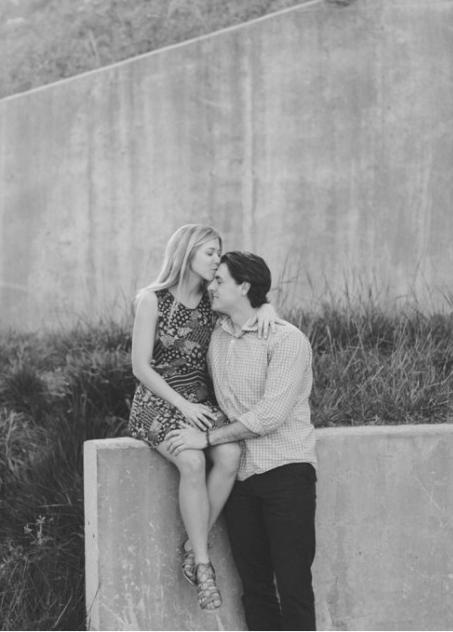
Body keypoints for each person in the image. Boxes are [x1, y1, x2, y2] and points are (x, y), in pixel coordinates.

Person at [128, 225, 279, 611]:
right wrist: (184, 406)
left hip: (201, 402)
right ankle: (201, 562)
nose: (217, 259)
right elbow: (140, 367)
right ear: (188, 251)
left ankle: (189, 545)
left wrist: (266, 307)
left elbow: (245, 302)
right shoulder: (152, 299)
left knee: (230, 456)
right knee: (192, 461)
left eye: (219, 252)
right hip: (160, 401)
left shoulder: (212, 302)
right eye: (211, 252)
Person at [166, 250, 318, 630]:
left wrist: (207, 438)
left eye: (219, 281)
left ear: (244, 287)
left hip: (285, 473)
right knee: (255, 588)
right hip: (241, 480)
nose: (211, 287)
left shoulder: (286, 339)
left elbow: (269, 416)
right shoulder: (217, 336)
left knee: (294, 586)